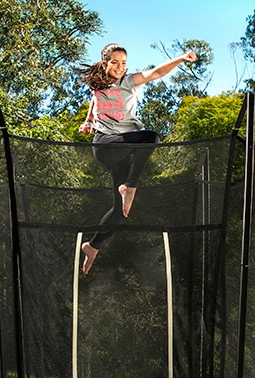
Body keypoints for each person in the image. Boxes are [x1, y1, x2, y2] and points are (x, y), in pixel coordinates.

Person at [74, 43, 197, 274]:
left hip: (124, 148)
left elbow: (157, 72)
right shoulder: (97, 85)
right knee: (150, 137)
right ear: (105, 64)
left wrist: (181, 58)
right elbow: (94, 101)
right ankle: (130, 186)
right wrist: (88, 122)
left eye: (123, 63)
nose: (120, 68)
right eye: (115, 63)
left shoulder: (129, 81)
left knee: (120, 212)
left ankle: (92, 246)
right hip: (105, 146)